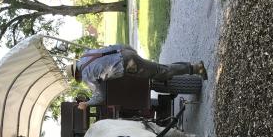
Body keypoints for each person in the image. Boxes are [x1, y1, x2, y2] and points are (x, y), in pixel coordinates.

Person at [65, 44, 208, 111]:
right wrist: (129, 51)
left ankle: (196, 67)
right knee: (160, 69)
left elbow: (101, 97)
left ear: (76, 75)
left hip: (128, 65)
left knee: (163, 71)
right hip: (125, 52)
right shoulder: (86, 55)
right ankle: (192, 70)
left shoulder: (86, 76)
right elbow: (108, 47)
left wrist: (87, 104)